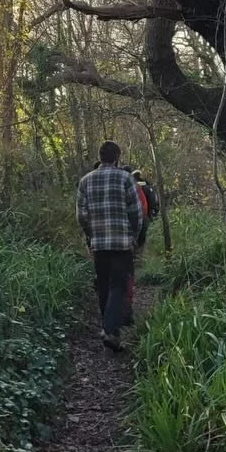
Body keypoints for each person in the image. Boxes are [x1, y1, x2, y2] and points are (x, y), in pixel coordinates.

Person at [77, 141, 141, 351]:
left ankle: (107, 326)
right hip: (121, 242)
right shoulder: (126, 178)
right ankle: (111, 331)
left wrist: (90, 237)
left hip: (99, 243)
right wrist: (134, 235)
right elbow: (135, 213)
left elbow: (82, 216)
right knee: (118, 285)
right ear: (117, 157)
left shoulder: (85, 181)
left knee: (103, 283)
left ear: (100, 156)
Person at [123, 170, 157, 325]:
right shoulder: (141, 186)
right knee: (126, 274)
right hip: (131, 233)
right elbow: (142, 208)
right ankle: (138, 260)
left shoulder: (89, 182)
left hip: (102, 242)